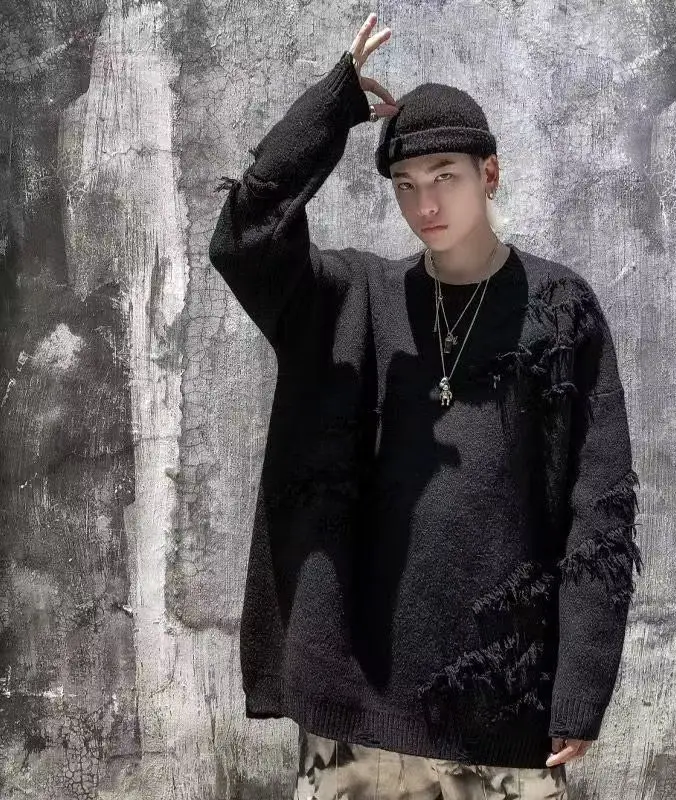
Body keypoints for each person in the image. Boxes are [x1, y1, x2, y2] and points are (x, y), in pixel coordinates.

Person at [208, 11, 643, 799]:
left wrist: (582, 688)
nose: (426, 203)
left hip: (502, 713)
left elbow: (600, 508)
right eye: (406, 185)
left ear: (490, 173)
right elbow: (244, 239)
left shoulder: (559, 309)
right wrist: (331, 108)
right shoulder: (352, 298)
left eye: (445, 176)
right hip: (358, 716)